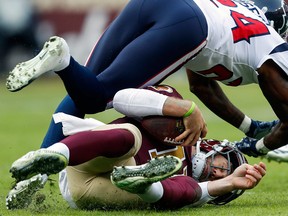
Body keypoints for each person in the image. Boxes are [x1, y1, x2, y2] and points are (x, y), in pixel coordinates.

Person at [5, 0, 288, 157]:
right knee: (99, 97)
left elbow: (201, 85)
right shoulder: (275, 46)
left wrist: (250, 128)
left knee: (85, 86)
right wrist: (258, 147)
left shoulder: (242, 12)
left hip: (161, 6)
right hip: (190, 25)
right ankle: (63, 60)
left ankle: (38, 162)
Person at [6, 85, 266, 210]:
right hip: (87, 159)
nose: (219, 173)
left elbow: (195, 192)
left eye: (223, 177)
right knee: (131, 138)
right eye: (225, 165)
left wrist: (231, 183)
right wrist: (185, 108)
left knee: (181, 192)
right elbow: (121, 99)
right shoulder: (182, 120)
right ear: (217, 146)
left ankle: (141, 182)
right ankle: (55, 153)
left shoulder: (189, 186)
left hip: (90, 191)